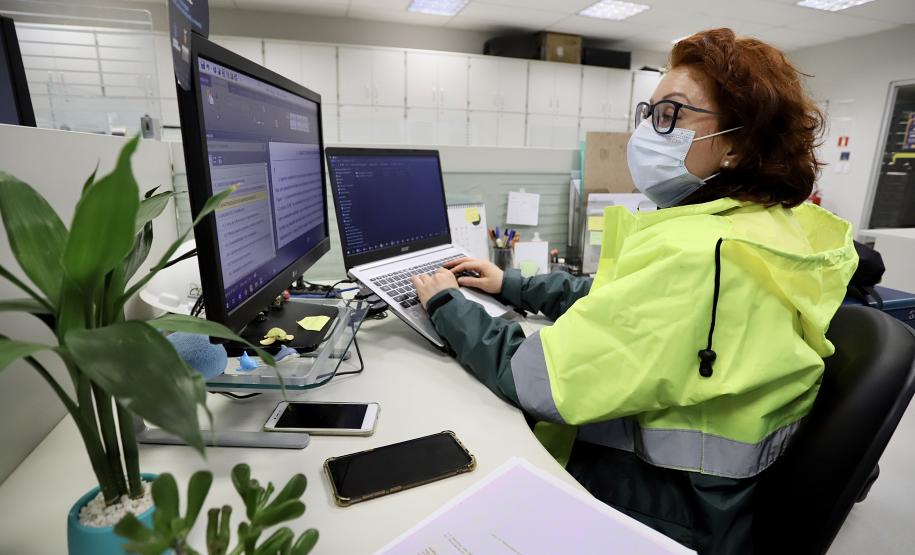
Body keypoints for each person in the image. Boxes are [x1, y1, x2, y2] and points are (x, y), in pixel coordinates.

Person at [410, 28, 858, 554]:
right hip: (717, 499)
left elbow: (539, 378)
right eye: (649, 113)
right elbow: (621, 304)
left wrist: (445, 304)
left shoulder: (703, 257)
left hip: (664, 509)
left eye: (672, 114)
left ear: (738, 142)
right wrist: (513, 284)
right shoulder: (764, 230)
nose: (648, 131)